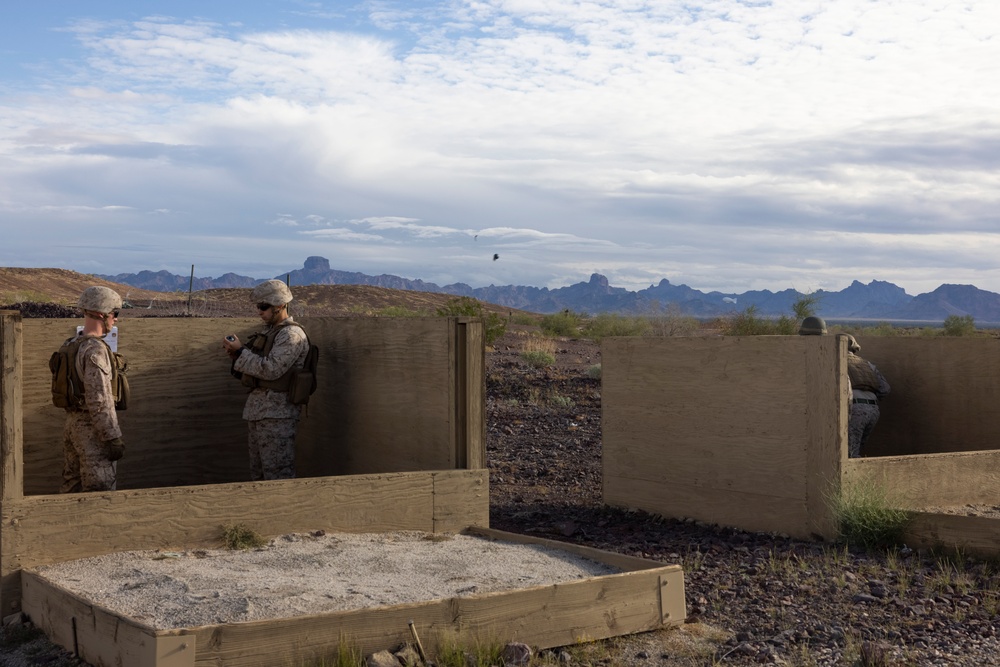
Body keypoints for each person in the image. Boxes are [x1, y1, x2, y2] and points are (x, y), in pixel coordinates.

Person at [222, 280, 310, 480]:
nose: (259, 312)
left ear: (279, 306)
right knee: (259, 475)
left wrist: (241, 351)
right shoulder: (271, 333)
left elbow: (271, 370)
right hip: (260, 412)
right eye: (258, 307)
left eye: (263, 307)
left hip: (278, 415)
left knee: (278, 476)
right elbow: (257, 368)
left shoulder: (292, 335)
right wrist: (237, 355)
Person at [60, 286, 125, 493]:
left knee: (72, 486)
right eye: (114, 314)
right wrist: (112, 437)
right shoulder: (95, 349)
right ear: (101, 314)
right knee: (100, 493)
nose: (115, 319)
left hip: (72, 424)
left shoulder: (70, 345)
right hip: (92, 431)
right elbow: (99, 399)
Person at [844, 334, 890, 458]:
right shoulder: (867, 364)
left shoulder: (838, 363)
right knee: (855, 448)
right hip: (873, 410)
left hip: (854, 410)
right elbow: (885, 389)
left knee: (850, 453)